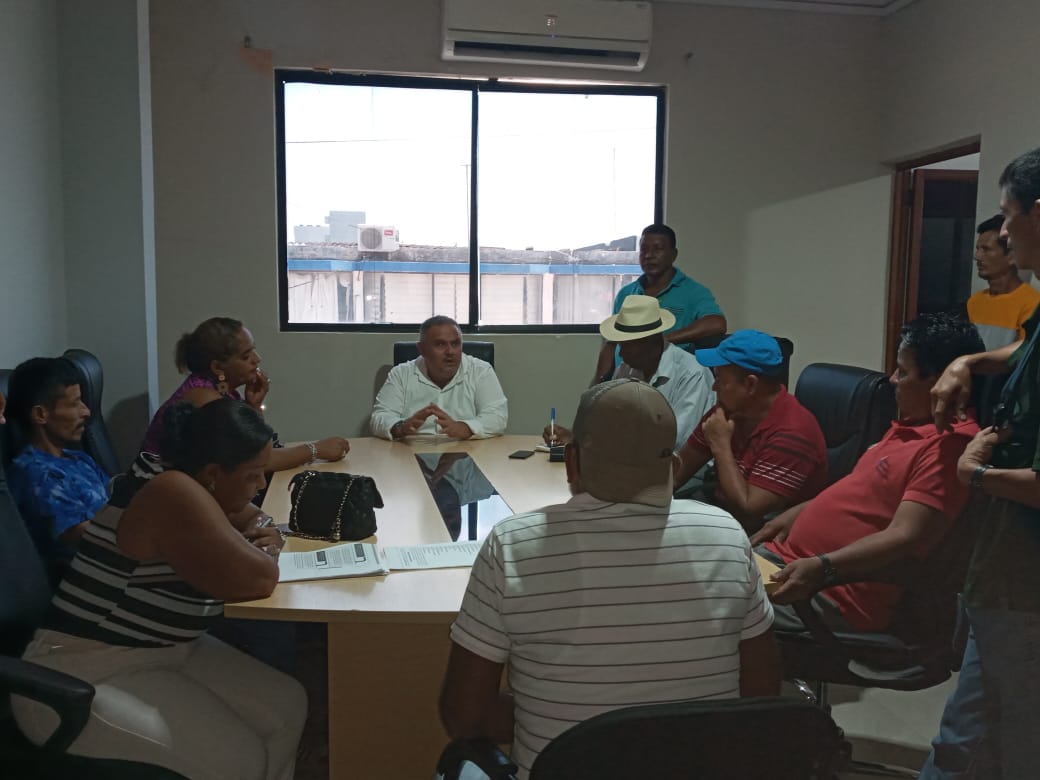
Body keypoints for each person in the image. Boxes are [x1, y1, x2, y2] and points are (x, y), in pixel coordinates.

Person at [440, 379, 780, 779]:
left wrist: (558, 713)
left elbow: (465, 717)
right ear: (673, 468)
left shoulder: (512, 545)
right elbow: (761, 692)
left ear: (572, 462)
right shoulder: (726, 535)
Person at [12, 399, 306, 780]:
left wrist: (263, 529)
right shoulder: (170, 490)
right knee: (240, 761)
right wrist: (267, 547)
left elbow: (254, 516)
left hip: (165, 649)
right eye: (253, 476)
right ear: (213, 473)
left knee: (287, 706)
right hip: (83, 671)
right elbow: (261, 578)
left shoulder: (182, 477)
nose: (262, 485)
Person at [921, 147, 1040, 780]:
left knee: (1011, 738)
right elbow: (1024, 348)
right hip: (1001, 571)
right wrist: (968, 361)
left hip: (1027, 583)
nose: (1001, 234)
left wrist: (978, 476)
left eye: (1007, 216)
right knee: (967, 734)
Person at [751, 312, 983, 633]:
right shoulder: (911, 426)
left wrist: (823, 566)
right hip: (784, 561)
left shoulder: (950, 445)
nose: (892, 380)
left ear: (940, 382)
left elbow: (906, 536)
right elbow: (861, 494)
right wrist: (796, 514)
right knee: (695, 561)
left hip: (824, 592)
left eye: (903, 372)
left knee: (695, 593)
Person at [140, 316, 349, 469]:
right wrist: (316, 450)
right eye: (246, 356)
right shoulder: (205, 400)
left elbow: (256, 448)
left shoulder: (225, 392)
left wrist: (254, 406)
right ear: (217, 367)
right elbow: (256, 462)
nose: (257, 359)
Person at [672, 330, 828, 534]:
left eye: (720, 379)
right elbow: (678, 471)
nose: (714, 387)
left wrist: (720, 446)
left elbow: (748, 510)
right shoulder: (730, 409)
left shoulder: (793, 432)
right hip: (723, 513)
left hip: (767, 534)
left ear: (750, 384)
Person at [543, 294, 714, 450]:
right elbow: (610, 421)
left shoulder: (692, 374)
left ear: (651, 342)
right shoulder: (627, 369)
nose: (621, 353)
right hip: (633, 462)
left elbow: (675, 441)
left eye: (627, 345)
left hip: (675, 467)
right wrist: (576, 437)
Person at [6, 357, 110, 565]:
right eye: (75, 404)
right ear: (40, 414)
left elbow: (119, 498)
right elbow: (89, 538)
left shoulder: (78, 458)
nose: (86, 411)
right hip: (90, 570)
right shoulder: (35, 474)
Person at [592, 224, 726, 384]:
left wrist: (661, 341)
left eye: (657, 249)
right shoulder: (627, 293)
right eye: (644, 250)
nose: (649, 255)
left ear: (673, 254)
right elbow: (611, 344)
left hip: (669, 379)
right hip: (625, 377)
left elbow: (716, 323)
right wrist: (598, 383)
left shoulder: (692, 291)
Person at [371, 315, 508, 440]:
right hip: (412, 449)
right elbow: (380, 416)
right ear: (422, 349)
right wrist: (400, 427)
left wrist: (465, 428)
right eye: (440, 344)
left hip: (466, 450)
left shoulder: (481, 371)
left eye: (455, 344)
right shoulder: (401, 374)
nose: (450, 352)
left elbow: (497, 417)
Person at [966, 213, 1040, 351]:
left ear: (1012, 256)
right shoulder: (975, 302)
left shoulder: (1032, 303)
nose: (977, 256)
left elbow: (1024, 353)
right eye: (978, 249)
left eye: (986, 249)